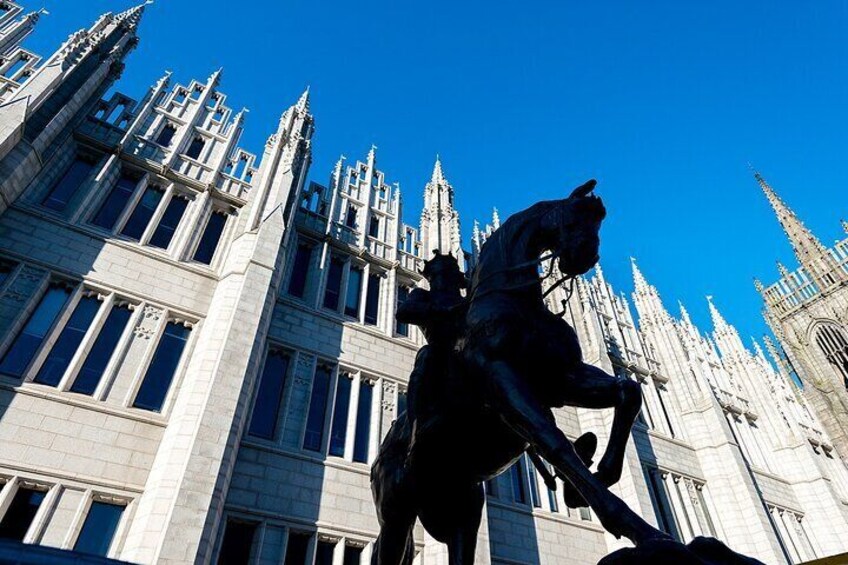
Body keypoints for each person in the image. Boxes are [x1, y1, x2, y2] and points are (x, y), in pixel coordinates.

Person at [396, 251, 467, 460]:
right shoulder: (423, 295)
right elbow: (404, 312)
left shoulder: (466, 299)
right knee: (426, 356)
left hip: (467, 352)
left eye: (448, 273)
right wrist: (441, 310)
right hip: (440, 352)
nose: (442, 279)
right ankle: (416, 428)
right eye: (437, 275)